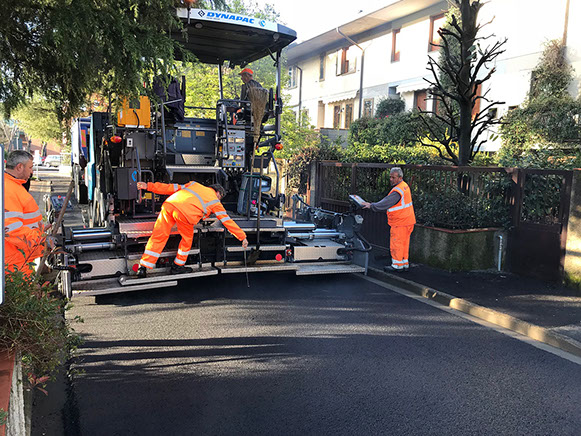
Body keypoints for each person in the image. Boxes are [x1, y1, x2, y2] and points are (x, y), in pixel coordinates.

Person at [136, 181, 248, 278]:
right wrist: (242, 237)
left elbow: (170, 188)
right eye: (220, 198)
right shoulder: (215, 202)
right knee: (187, 240)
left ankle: (143, 266)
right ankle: (178, 266)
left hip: (169, 205)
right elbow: (227, 221)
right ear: (219, 193)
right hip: (185, 214)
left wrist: (148, 186)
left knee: (159, 235)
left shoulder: (194, 184)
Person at [361, 167, 415, 273]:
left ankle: (396, 266)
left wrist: (371, 206)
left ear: (400, 178)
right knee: (404, 244)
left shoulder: (397, 191)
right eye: (390, 177)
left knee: (396, 244)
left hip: (399, 222)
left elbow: (385, 203)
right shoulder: (404, 186)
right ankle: (404, 263)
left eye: (393, 177)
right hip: (408, 221)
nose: (391, 179)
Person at [4, 150, 48, 275]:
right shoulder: (9, 189)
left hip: (17, 259)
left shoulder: (12, 186)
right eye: (30, 167)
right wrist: (41, 239)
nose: (31, 172)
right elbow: (12, 229)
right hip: (14, 264)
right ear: (19, 167)